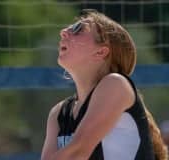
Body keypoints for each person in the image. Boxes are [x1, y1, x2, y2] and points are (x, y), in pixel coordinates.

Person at [41, 9, 168, 160]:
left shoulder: (116, 84)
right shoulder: (58, 113)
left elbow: (78, 152)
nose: (63, 32)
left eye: (78, 28)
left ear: (101, 52)